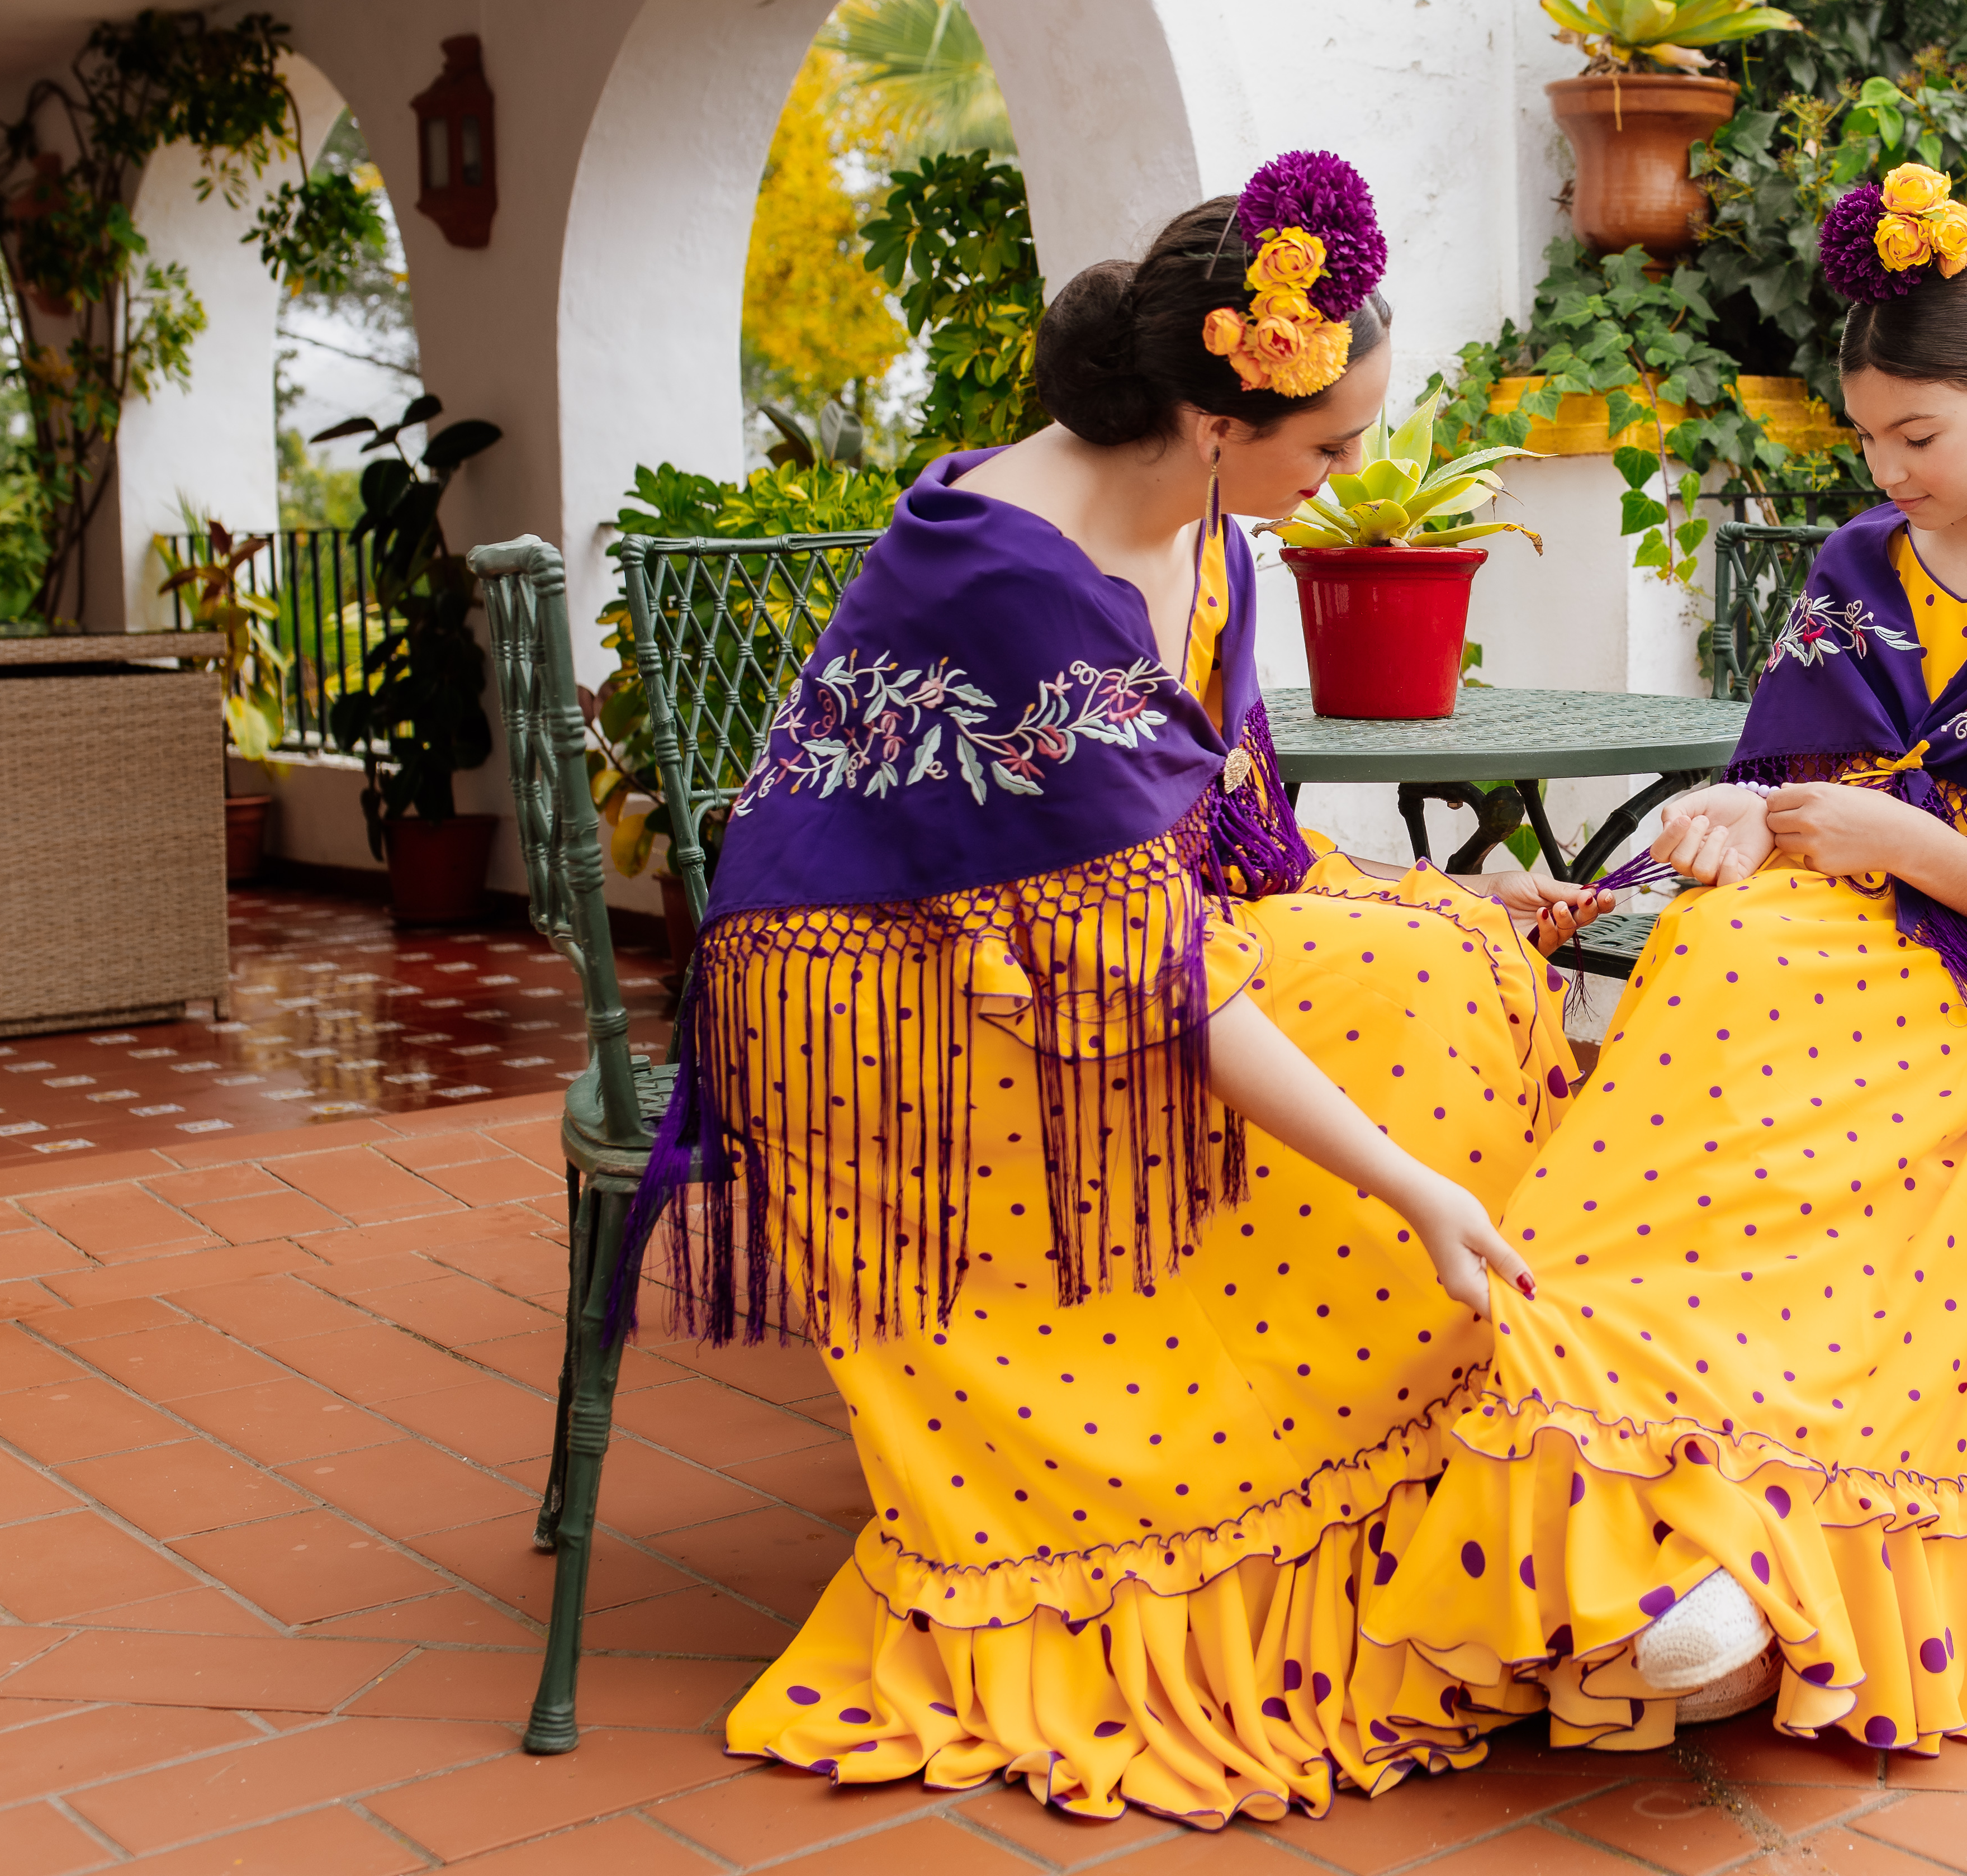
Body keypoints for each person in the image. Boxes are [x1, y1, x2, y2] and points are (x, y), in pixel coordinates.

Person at [627, 156, 1601, 1823]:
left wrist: (1453, 900)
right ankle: (1340, 1500)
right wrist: (1414, 1184)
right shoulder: (1017, 581)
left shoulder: (1190, 512)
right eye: (1336, 444)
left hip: (1062, 944)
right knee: (1404, 1022)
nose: (1353, 476)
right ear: (1220, 417)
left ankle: (1470, 1495)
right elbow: (1156, 981)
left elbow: (1218, 841)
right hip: (886, 1008)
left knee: (1443, 955)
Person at [1358, 164, 1967, 1751]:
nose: (1887, 473)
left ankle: (1759, 1541)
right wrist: (1735, 815)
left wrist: (1915, 851)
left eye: (1915, 438)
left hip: (1963, 985)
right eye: (1867, 438)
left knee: (1828, 1149)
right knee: (1672, 1072)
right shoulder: (1856, 567)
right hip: (1778, 940)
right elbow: (1783, 778)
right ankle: (1639, 1511)